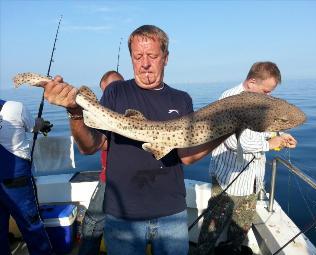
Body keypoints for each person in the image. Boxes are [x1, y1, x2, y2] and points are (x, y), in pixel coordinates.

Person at [42, 25, 222, 255]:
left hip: (171, 212)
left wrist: (225, 131)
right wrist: (75, 112)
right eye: (138, 57)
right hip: (122, 214)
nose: (144, 63)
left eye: (152, 56)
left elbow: (186, 157)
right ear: (131, 58)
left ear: (166, 58)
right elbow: (90, 147)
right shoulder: (116, 92)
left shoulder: (182, 99)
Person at [196, 61, 298, 254]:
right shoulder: (229, 99)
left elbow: (261, 129)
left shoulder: (259, 103)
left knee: (241, 227)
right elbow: (232, 143)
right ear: (251, 83)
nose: (269, 97)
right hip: (229, 180)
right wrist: (269, 145)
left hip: (252, 180)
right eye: (266, 91)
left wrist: (279, 136)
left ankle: (233, 250)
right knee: (212, 228)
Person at [78, 70, 124, 255]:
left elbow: (102, 145)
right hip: (111, 176)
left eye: (115, 89)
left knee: (92, 223)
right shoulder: (99, 112)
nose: (111, 95)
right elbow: (91, 145)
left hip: (114, 179)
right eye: (108, 92)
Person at [0, 99, 53, 255]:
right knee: (31, 225)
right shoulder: (15, 107)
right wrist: (42, 124)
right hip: (16, 181)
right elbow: (34, 126)